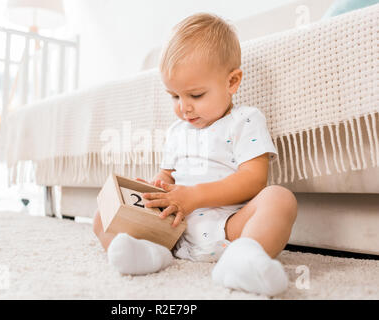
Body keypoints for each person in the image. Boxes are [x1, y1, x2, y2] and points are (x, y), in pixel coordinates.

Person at [93, 12, 298, 296]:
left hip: (230, 227)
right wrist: (152, 191)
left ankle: (241, 258)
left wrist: (194, 196)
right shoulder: (178, 132)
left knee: (280, 199)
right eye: (175, 96)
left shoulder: (246, 120)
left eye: (196, 95)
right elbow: (166, 176)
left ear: (232, 82)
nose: (184, 108)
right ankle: (150, 254)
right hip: (174, 231)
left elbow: (254, 179)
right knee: (103, 212)